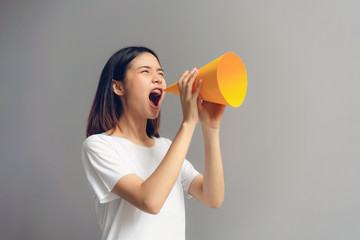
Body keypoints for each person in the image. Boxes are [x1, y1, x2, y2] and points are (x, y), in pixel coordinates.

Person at [81, 46, 226, 240]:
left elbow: (213, 197)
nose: (158, 78)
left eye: (160, 73)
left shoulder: (166, 148)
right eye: (145, 71)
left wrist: (211, 129)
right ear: (118, 87)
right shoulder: (99, 146)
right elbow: (150, 201)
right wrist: (188, 124)